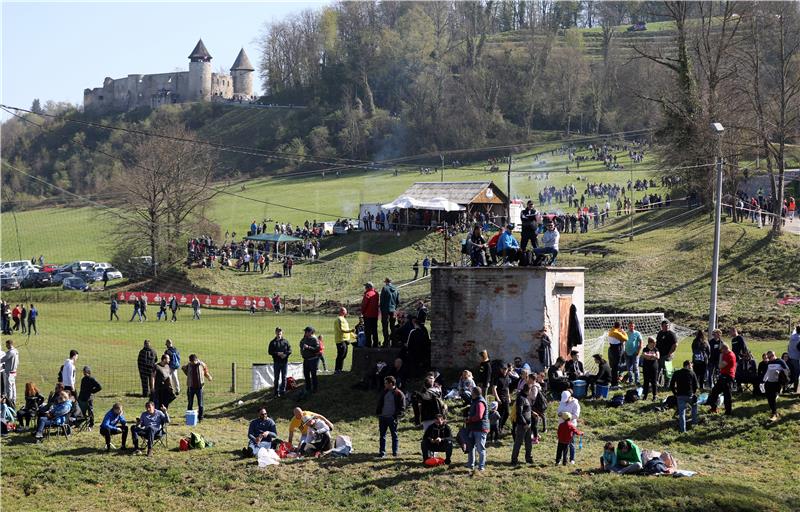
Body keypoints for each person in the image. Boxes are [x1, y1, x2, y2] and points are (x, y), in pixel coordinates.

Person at [376, 375, 405, 457]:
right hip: (383, 417)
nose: (385, 384)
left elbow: (402, 407)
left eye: (386, 383)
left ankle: (395, 452)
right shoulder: (384, 392)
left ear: (391, 383)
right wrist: (379, 413)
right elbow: (380, 403)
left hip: (392, 418)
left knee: (394, 435)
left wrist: (396, 416)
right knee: (382, 436)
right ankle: (382, 452)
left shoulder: (399, 393)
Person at [707, 342, 736, 415]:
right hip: (723, 376)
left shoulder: (729, 355)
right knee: (714, 391)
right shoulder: (727, 354)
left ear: (725, 348)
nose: (721, 351)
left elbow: (720, 366)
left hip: (728, 377)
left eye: (721, 350)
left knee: (727, 395)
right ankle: (714, 408)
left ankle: (728, 412)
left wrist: (720, 356)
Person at [464, 386, 489, 472]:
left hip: (480, 428)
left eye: (471, 392)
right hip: (474, 428)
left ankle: (481, 466)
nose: (471, 394)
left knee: (480, 448)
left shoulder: (480, 402)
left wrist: (470, 420)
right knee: (471, 447)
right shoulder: (475, 401)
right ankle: (470, 464)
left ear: (474, 393)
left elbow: (479, 416)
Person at [669, 360, 699, 433]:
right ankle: (694, 423)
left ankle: (683, 430)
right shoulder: (692, 373)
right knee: (694, 407)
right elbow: (696, 385)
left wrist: (675, 393)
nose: (691, 367)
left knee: (682, 413)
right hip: (689, 395)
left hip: (680, 396)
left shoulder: (677, 373)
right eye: (691, 366)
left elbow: (671, 385)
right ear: (688, 365)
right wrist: (693, 393)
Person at [761, 351, 790, 420]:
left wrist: (780, 373)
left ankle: (774, 413)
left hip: (777, 383)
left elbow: (787, 371)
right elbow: (768, 372)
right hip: (769, 382)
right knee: (769, 397)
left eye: (770, 357)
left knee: (772, 398)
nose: (768, 358)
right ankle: (773, 411)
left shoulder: (780, 361)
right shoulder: (769, 363)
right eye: (768, 357)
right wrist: (763, 381)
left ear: (774, 355)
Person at [182, 354, 211, 422]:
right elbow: (183, 368)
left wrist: (209, 377)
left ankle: (200, 417)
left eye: (193, 362)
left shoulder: (202, 365)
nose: (192, 363)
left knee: (200, 404)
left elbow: (206, 372)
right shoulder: (188, 365)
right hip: (190, 387)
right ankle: (189, 418)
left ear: (196, 360)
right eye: (190, 361)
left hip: (199, 388)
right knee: (190, 403)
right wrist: (188, 375)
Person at [510, 384, 534, 466]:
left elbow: (526, 409)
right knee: (518, 443)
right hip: (522, 425)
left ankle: (529, 459)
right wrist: (524, 423)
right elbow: (519, 413)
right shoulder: (521, 398)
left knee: (528, 443)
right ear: (528, 390)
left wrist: (532, 413)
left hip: (528, 425)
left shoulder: (525, 398)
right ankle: (514, 460)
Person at [268, 327, 291, 397]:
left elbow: (290, 350)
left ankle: (283, 391)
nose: (279, 333)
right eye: (277, 332)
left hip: (284, 362)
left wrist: (285, 354)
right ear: (275, 332)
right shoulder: (272, 342)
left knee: (284, 377)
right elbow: (270, 352)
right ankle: (276, 392)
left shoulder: (286, 341)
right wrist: (277, 353)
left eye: (280, 332)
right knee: (276, 378)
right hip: (276, 362)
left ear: (282, 332)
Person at [656, 320, 678, 388]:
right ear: (662, 326)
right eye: (665, 326)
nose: (666, 327)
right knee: (658, 369)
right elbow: (657, 343)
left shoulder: (671, 334)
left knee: (668, 371)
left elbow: (675, 344)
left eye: (667, 326)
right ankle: (657, 383)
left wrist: (670, 353)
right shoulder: (660, 333)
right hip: (659, 355)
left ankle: (667, 385)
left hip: (667, 355)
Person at [491, 364, 512, 436]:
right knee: (500, 414)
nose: (504, 371)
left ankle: (501, 427)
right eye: (503, 369)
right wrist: (497, 398)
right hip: (500, 398)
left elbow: (507, 388)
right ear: (500, 369)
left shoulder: (507, 376)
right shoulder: (497, 377)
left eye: (505, 369)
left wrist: (509, 397)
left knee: (507, 413)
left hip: (506, 397)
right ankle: (498, 429)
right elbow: (494, 388)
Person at [300, 327, 321, 394]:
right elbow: (301, 343)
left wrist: (308, 347)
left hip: (313, 360)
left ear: (310, 332)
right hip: (306, 360)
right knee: (306, 374)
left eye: (306, 332)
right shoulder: (304, 338)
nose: (305, 333)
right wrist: (302, 346)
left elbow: (317, 349)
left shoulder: (314, 339)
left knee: (313, 375)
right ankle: (308, 388)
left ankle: (315, 389)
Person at [334, 307, 355, 374]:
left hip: (345, 340)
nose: (346, 313)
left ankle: (340, 369)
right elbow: (342, 330)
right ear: (343, 311)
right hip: (341, 340)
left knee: (343, 355)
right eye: (345, 311)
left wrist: (354, 336)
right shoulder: (339, 319)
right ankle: (337, 370)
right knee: (340, 355)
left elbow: (347, 329)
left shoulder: (344, 319)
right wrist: (351, 330)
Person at [606, 322, 627, 388]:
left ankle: (613, 381)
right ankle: (614, 384)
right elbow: (626, 338)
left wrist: (620, 340)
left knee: (613, 367)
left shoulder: (611, 331)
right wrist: (623, 332)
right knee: (615, 368)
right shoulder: (616, 333)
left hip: (611, 349)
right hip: (616, 351)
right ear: (619, 326)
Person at [379, 278, 399, 347]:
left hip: (385, 310)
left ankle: (386, 342)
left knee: (385, 326)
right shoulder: (396, 289)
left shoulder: (384, 288)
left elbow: (381, 300)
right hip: (393, 309)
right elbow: (397, 301)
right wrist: (394, 308)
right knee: (393, 326)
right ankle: (394, 342)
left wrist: (381, 309)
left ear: (386, 282)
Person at [361, 282, 380, 348]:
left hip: (368, 315)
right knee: (374, 330)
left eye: (366, 287)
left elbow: (364, 305)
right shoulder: (376, 293)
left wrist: (362, 312)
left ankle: (368, 344)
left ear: (368, 287)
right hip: (375, 315)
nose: (365, 288)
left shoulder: (367, 294)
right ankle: (376, 344)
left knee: (368, 331)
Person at [624, 321, 642, 386]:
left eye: (632, 326)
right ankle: (630, 381)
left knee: (636, 367)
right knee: (629, 368)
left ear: (634, 326)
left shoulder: (637, 333)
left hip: (635, 353)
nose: (631, 327)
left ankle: (637, 381)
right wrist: (624, 350)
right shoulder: (626, 333)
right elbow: (623, 342)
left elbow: (641, 343)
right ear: (628, 326)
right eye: (630, 326)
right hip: (627, 353)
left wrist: (638, 351)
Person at [2, 339, 19, 407]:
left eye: (7, 345)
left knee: (9, 389)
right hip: (14, 372)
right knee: (13, 387)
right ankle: (13, 400)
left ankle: (10, 402)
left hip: (9, 373)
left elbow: (3, 359)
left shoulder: (11, 352)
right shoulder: (16, 351)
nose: (6, 346)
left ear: (9, 344)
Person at [788, 324, 800, 392]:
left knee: (793, 372)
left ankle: (791, 387)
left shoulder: (792, 337)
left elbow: (794, 331)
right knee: (797, 374)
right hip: (797, 357)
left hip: (790, 356)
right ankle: (795, 389)